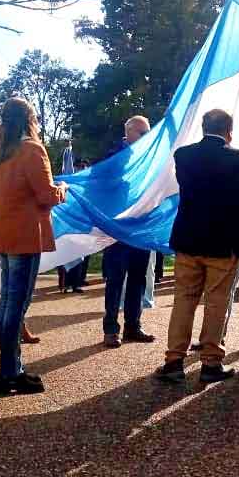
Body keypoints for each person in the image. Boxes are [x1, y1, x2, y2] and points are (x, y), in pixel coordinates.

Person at [154, 109, 239, 384]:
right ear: (230, 132)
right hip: (225, 241)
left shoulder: (183, 155)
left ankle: (173, 361)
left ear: (203, 128)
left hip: (189, 238)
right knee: (216, 304)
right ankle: (210, 363)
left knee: (184, 300)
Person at [0, 97, 67, 394]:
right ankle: (9, 373)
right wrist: (62, 190)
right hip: (26, 234)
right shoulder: (31, 148)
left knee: (8, 302)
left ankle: (11, 369)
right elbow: (46, 195)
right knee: (17, 305)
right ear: (30, 119)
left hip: (2, 233)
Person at [100, 115, 155, 348]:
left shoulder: (151, 158)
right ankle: (111, 329)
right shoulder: (113, 156)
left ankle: (134, 325)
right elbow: (103, 187)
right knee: (115, 280)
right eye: (142, 133)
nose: (146, 137)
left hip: (140, 229)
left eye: (148, 133)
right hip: (118, 230)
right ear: (129, 132)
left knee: (137, 279)